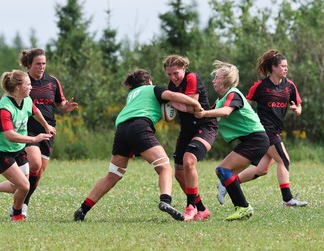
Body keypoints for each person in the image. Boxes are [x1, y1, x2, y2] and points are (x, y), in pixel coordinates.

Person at [73, 69, 203, 222]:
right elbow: (173, 96)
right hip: (139, 126)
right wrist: (195, 103)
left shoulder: (132, 95)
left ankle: (83, 209)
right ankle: (165, 201)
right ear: (149, 81)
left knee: (113, 175)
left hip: (121, 129)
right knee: (164, 167)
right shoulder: (152, 89)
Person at [216, 49, 308, 207]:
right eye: (283, 66)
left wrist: (296, 110)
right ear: (274, 68)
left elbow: (298, 107)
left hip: (277, 130)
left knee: (263, 169)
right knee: (284, 160)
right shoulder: (260, 86)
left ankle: (228, 183)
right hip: (265, 130)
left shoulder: (290, 86)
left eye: (287, 66)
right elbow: (245, 105)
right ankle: (288, 199)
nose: (286, 69)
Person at [194, 60, 269, 220]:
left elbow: (226, 112)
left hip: (256, 140)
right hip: (251, 140)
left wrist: (204, 113)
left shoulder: (233, 94)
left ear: (226, 80)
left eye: (217, 78)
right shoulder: (221, 99)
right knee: (222, 172)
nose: (214, 81)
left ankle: (243, 207)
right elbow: (209, 116)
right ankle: (241, 207)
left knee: (224, 171)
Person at [0, 70, 55, 222]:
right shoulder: (4, 109)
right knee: (25, 186)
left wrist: (46, 126)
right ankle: (17, 214)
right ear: (19, 87)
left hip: (18, 149)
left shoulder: (25, 100)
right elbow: (10, 135)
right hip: (1, 152)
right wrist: (34, 139)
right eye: (28, 84)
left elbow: (35, 110)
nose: (31, 87)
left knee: (18, 187)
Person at [14, 48, 78, 218]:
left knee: (39, 172)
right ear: (29, 64)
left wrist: (66, 107)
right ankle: (20, 207)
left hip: (49, 130)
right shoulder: (24, 82)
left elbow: (60, 104)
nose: (41, 67)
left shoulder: (52, 81)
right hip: (28, 129)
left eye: (44, 63)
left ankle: (19, 202)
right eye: (38, 64)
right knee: (34, 164)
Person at [162, 55, 218, 221]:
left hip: (205, 126)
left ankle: (190, 207)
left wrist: (172, 102)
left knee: (189, 161)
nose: (173, 77)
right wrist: (176, 103)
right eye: (169, 74)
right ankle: (201, 209)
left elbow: (192, 104)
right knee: (179, 173)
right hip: (186, 130)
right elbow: (182, 106)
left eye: (176, 73)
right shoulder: (172, 84)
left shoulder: (191, 77)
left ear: (184, 68)